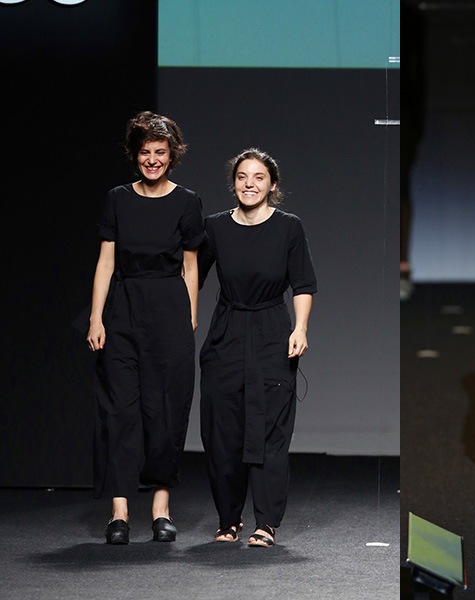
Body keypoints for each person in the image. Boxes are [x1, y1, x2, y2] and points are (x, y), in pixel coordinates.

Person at [87, 111, 205, 544]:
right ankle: (119, 513)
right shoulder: (118, 199)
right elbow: (106, 262)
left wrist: (189, 317)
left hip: (169, 311)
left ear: (172, 155)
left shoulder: (187, 202)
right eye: (144, 152)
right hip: (123, 310)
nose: (152, 160)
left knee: (166, 410)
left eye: (160, 152)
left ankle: (160, 509)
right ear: (134, 155)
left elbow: (190, 266)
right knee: (119, 410)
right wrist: (97, 316)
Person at [198, 148, 316, 548]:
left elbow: (303, 284)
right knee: (222, 430)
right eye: (242, 177)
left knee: (271, 430)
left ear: (272, 185)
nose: (249, 184)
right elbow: (189, 275)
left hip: (271, 332)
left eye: (258, 177)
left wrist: (300, 328)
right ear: (233, 183)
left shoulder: (289, 227)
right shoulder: (215, 227)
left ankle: (266, 523)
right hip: (227, 331)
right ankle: (228, 520)